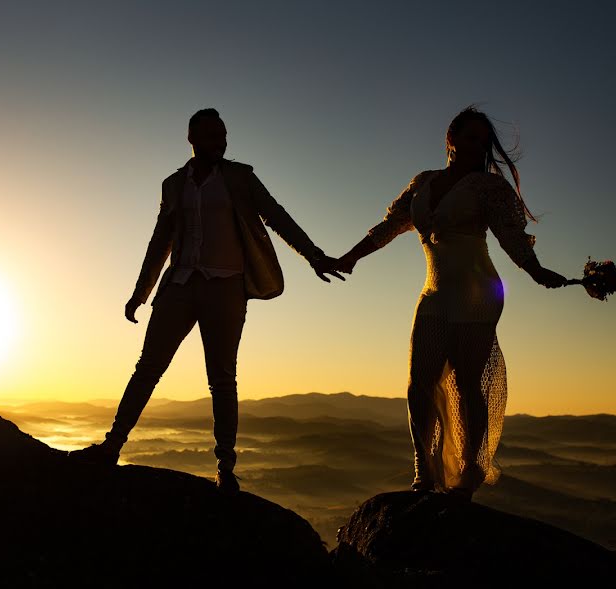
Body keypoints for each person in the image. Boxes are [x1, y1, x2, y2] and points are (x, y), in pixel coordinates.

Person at [69, 108, 343, 493]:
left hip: (226, 288)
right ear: (192, 139)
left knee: (222, 378)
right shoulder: (173, 184)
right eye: (214, 136)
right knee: (147, 368)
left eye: (224, 136)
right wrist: (140, 293)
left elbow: (277, 217)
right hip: (179, 285)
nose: (222, 143)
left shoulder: (240, 177)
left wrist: (313, 255)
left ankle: (225, 467)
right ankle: (112, 446)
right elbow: (160, 241)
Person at [336, 106, 566, 500]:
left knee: (465, 382)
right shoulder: (423, 182)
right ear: (451, 139)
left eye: (483, 141)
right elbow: (389, 226)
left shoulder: (488, 188)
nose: (478, 146)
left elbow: (511, 236)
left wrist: (536, 271)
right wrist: (349, 259)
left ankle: (468, 475)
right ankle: (423, 471)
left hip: (480, 294)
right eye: (471, 138)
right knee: (418, 383)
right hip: (435, 294)